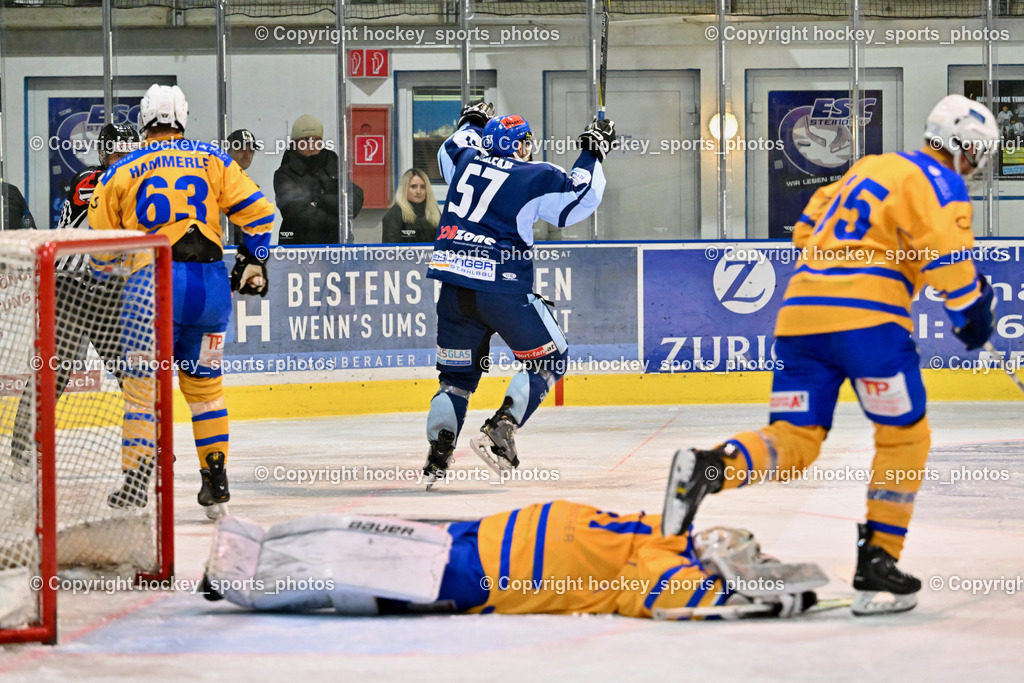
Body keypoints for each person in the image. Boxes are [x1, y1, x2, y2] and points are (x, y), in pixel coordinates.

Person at [662, 94, 1000, 616]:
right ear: (966, 148)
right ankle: (879, 563)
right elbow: (950, 260)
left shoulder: (867, 168)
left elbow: (805, 232)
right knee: (905, 435)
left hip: (801, 317)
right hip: (869, 325)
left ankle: (709, 468)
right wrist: (973, 315)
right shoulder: (939, 180)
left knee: (795, 438)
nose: (975, 168)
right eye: (977, 156)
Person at [89, 84, 277, 519]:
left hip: (151, 289)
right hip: (211, 290)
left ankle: (137, 484)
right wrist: (254, 259)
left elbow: (101, 247)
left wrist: (107, 279)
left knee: (142, 393)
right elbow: (261, 214)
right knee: (207, 392)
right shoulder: (214, 159)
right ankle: (216, 481)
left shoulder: (123, 168)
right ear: (183, 118)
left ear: (144, 119)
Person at [202, 498, 825, 620]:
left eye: (732, 548)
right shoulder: (669, 533)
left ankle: (244, 584)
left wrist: (741, 599)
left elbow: (660, 597)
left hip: (486, 576)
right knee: (354, 529)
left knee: (360, 569)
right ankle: (251, 543)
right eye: (731, 535)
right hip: (486, 533)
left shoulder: (672, 571)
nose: (720, 537)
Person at [421, 101, 615, 487]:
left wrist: (473, 118)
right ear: (518, 146)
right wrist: (593, 151)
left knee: (455, 381)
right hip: (503, 289)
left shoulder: (464, 160)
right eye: (525, 143)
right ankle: (502, 428)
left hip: (454, 291)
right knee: (551, 358)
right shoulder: (532, 175)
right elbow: (579, 199)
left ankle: (438, 456)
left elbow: (451, 146)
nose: (529, 149)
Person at [8, 124, 142, 492]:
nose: (124, 161)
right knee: (56, 370)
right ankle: (22, 450)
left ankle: (147, 446)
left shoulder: (136, 181)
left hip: (109, 289)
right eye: (117, 154)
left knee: (132, 374)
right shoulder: (88, 179)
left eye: (129, 154)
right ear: (103, 155)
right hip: (68, 288)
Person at [274, 114, 363, 245]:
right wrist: (337, 220)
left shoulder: (332, 162)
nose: (312, 144)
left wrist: (320, 201)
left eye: (316, 140)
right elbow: (297, 214)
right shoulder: (284, 174)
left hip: (338, 244)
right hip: (300, 249)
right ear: (295, 142)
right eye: (306, 140)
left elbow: (354, 198)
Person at [381, 168, 439, 243]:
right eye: (413, 187)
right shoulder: (395, 214)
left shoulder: (434, 213)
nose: (418, 191)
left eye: (422, 187)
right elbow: (390, 250)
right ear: (405, 189)